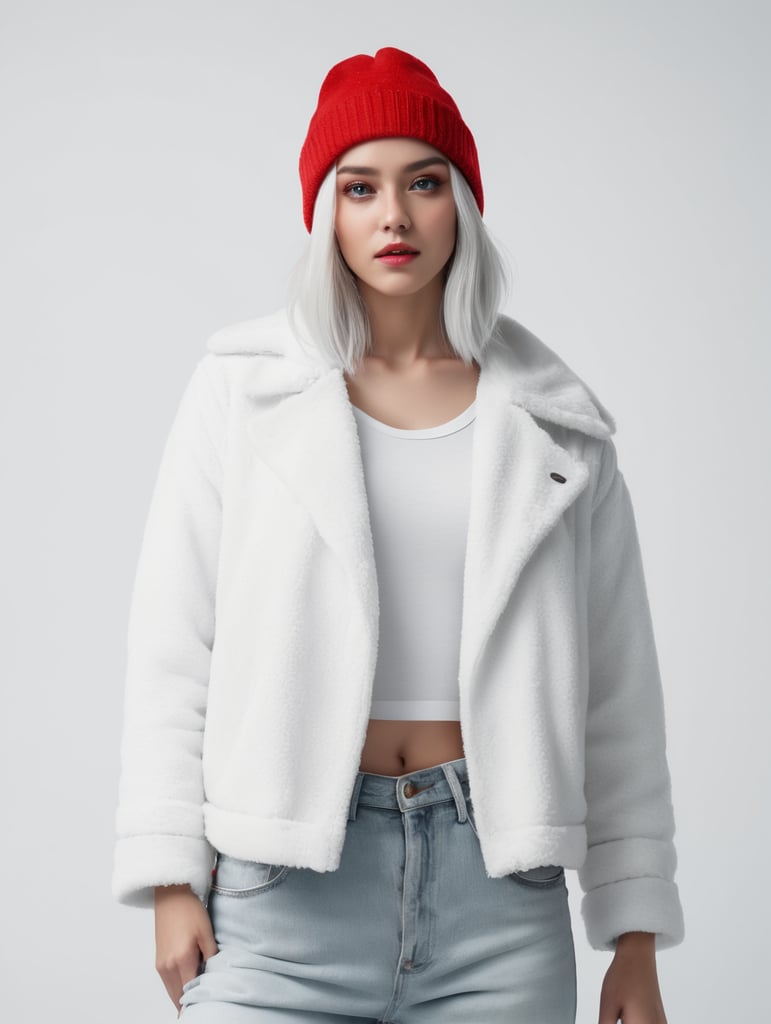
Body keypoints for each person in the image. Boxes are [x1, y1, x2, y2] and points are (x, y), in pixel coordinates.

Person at [112, 47, 685, 1024]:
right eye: (360, 187)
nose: (394, 216)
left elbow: (617, 693)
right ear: (325, 213)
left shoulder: (557, 425)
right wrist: (171, 876)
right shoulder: (241, 393)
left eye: (423, 182)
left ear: (461, 202)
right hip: (283, 899)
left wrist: (634, 940)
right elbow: (176, 645)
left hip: (498, 910)